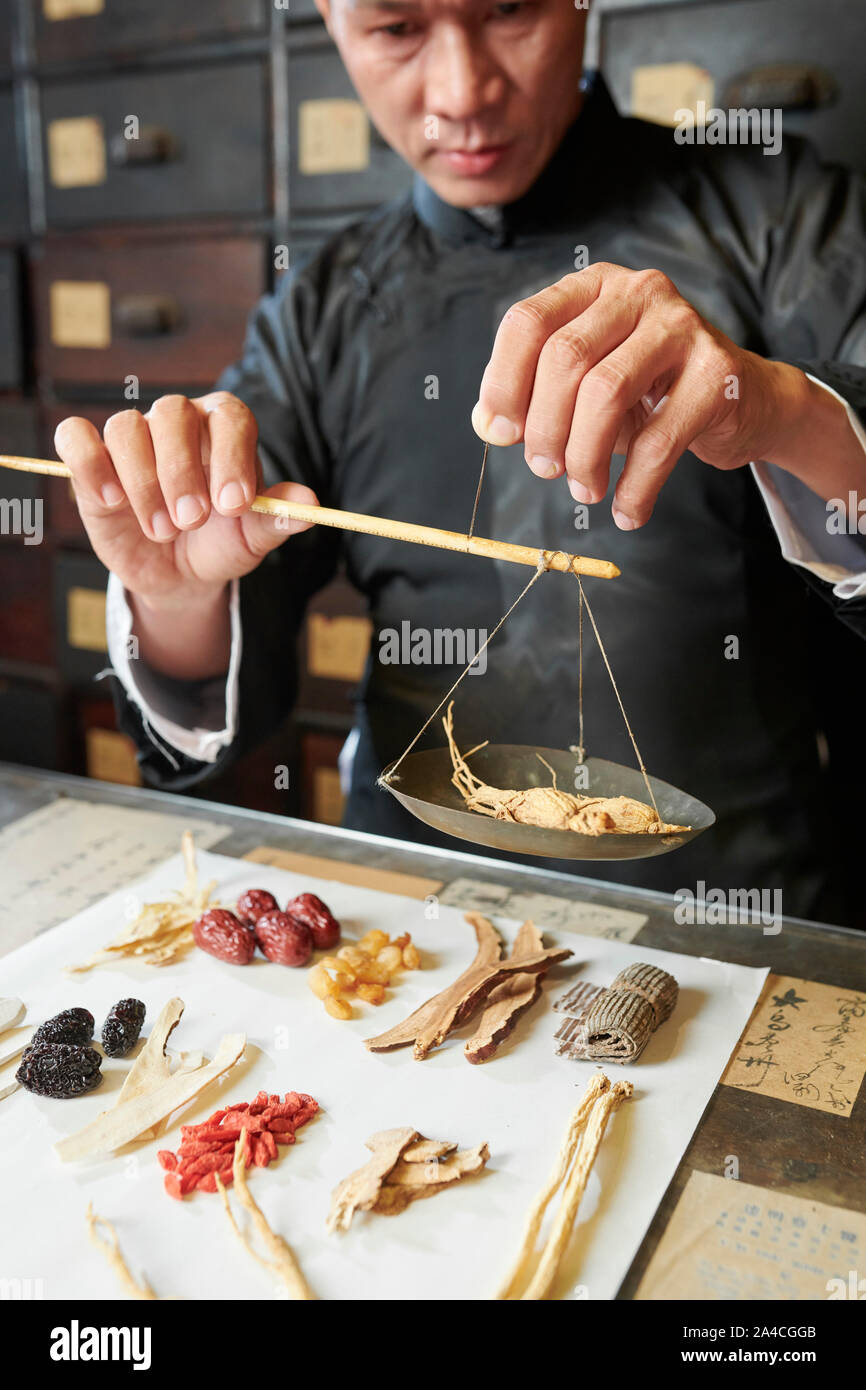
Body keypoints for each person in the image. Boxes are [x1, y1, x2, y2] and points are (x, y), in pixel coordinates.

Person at [54, 0, 866, 926]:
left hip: (734, 918)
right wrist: (174, 596)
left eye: (509, 11)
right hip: (413, 924)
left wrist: (780, 408)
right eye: (397, 29)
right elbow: (224, 625)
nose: (462, 93)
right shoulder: (323, 305)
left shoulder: (780, 213)